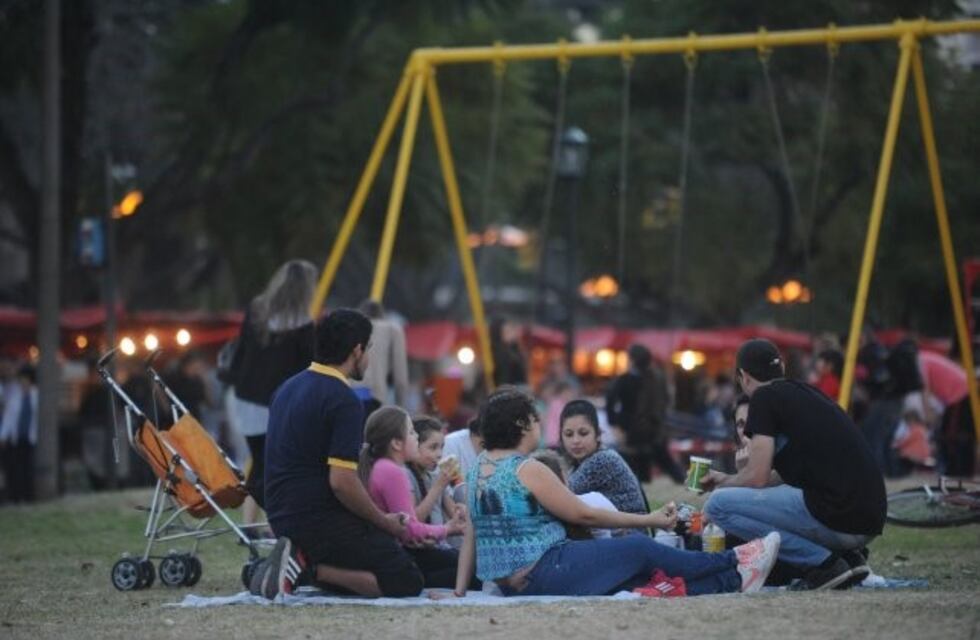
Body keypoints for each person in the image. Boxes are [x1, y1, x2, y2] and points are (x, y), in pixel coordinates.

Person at [467, 387, 781, 597]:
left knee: (643, 582)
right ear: (522, 424)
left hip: (516, 583)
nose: (540, 426)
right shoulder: (526, 468)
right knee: (638, 548)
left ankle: (735, 579)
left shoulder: (477, 468)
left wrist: (459, 589)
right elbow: (583, 514)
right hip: (546, 568)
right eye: (536, 420)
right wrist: (650, 520)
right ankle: (736, 558)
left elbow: (472, 531)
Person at [256, 308, 420, 600]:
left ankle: (289, 564)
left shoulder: (286, 388)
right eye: (368, 349)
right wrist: (383, 521)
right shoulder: (343, 400)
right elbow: (341, 482)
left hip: (280, 516)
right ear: (356, 350)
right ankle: (306, 568)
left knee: (378, 553)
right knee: (406, 579)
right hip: (317, 520)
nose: (368, 358)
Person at [702, 338, 885, 591]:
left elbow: (757, 477)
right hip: (868, 518)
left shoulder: (763, 397)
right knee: (770, 496)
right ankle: (847, 558)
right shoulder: (806, 392)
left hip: (839, 518)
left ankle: (824, 564)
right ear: (782, 368)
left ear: (743, 376)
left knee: (717, 505)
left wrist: (726, 484)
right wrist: (725, 479)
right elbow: (782, 476)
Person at [226, 259, 317, 530]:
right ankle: (278, 520)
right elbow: (307, 369)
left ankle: (252, 524)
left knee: (260, 462)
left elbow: (241, 352)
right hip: (276, 404)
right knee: (273, 466)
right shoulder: (303, 325)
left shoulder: (256, 312)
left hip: (245, 397)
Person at [360, 406, 476, 594]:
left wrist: (455, 517)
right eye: (412, 433)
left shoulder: (384, 467)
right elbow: (410, 530)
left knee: (464, 565)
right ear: (396, 443)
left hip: (405, 550)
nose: (416, 437)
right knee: (470, 572)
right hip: (400, 554)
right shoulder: (393, 471)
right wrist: (447, 529)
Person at [605, 344, 685, 485]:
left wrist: (616, 424)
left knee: (633, 470)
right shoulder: (658, 378)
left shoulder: (624, 380)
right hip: (654, 430)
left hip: (632, 431)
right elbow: (666, 402)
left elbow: (610, 403)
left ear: (632, 360)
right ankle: (687, 484)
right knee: (664, 465)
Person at [559, 399, 648, 516]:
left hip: (631, 526)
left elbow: (561, 496)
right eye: (569, 434)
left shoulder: (603, 459)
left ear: (598, 434)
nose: (575, 440)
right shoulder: (577, 463)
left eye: (583, 433)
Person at [406, 416, 457, 533]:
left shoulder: (434, 476)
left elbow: (454, 513)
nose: (440, 454)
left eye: (441, 447)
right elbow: (414, 521)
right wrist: (438, 486)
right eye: (433, 447)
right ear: (415, 445)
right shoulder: (406, 475)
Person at [356, 300, 410, 408]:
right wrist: (401, 407)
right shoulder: (392, 330)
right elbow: (400, 377)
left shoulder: (351, 327)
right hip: (376, 395)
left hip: (350, 393)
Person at [0, 363, 38, 502]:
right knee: (16, 468)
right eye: (21, 379)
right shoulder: (15, 396)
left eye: (24, 379)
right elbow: (9, 417)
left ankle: (28, 497)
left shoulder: (37, 395)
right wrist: (3, 436)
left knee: (28, 468)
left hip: (31, 438)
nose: (22, 382)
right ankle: (16, 496)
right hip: (17, 438)